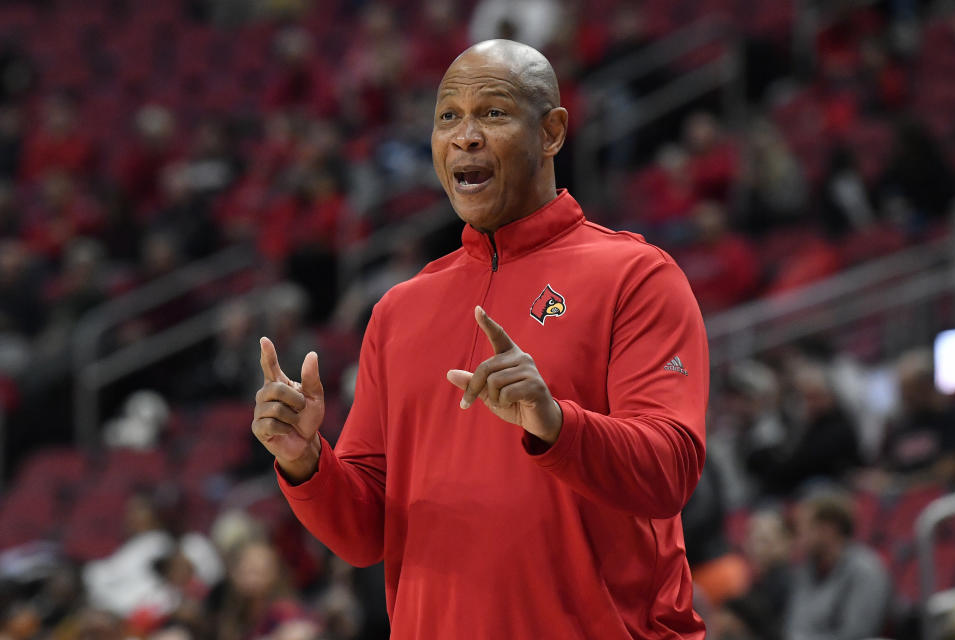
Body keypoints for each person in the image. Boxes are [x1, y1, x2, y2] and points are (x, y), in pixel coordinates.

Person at [252, 39, 709, 639]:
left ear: (551, 132)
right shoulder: (398, 309)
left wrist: (555, 423)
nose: (464, 136)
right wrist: (306, 460)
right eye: (448, 117)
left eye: (492, 113)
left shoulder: (636, 276)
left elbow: (669, 471)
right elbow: (366, 536)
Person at [784, 490, 891, 640]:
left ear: (828, 529)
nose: (798, 537)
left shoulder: (865, 570)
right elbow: (794, 626)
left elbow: (856, 635)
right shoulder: (806, 569)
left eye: (803, 528)